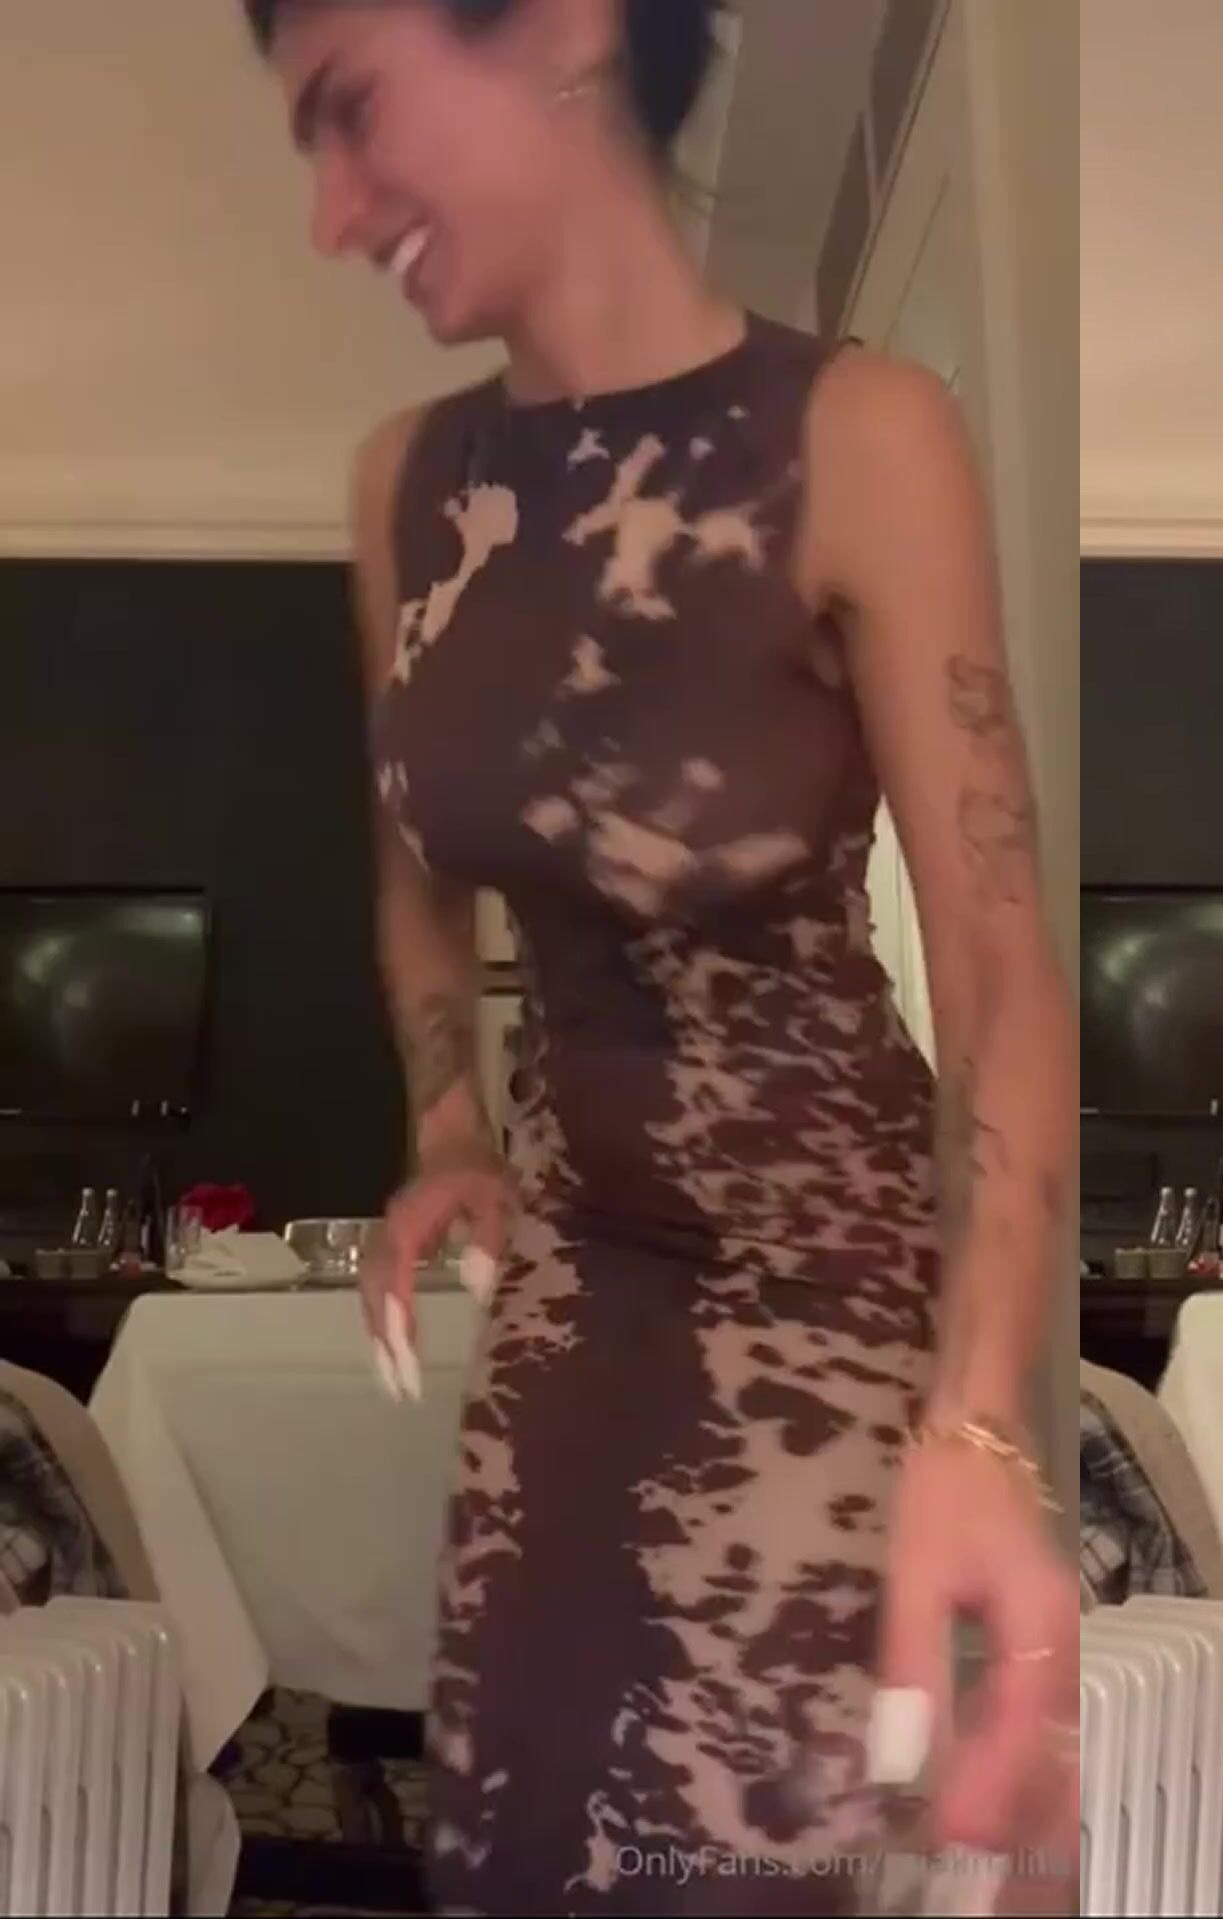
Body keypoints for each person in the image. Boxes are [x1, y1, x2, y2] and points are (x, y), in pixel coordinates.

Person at [244, 0, 1083, 1906]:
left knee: (710, 1859)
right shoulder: (403, 487)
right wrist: (447, 1124)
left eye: (355, 113)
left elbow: (1001, 973)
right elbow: (412, 865)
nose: (330, 213)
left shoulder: (859, 436)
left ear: (561, 29)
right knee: (509, 1839)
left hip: (829, 1266)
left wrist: (977, 1415)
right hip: (572, 1262)